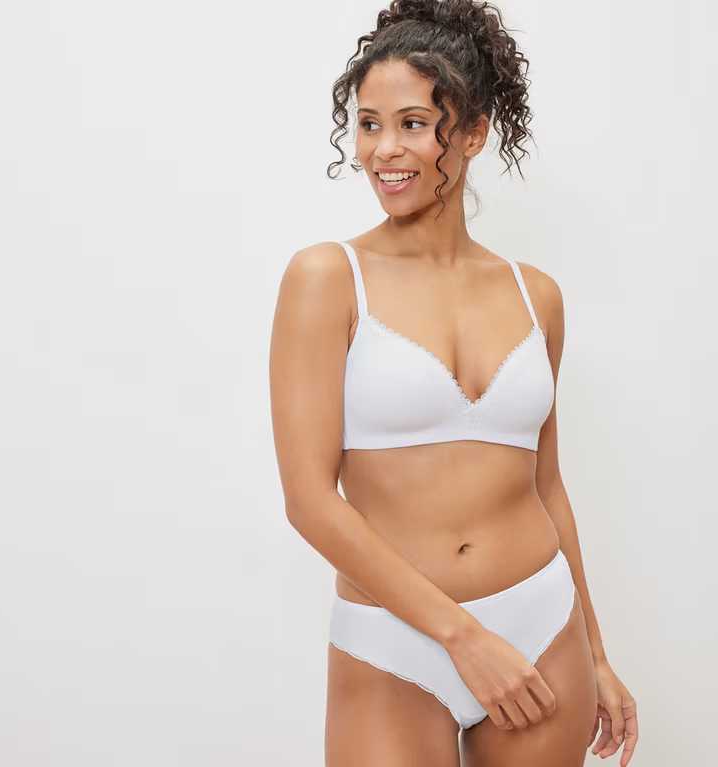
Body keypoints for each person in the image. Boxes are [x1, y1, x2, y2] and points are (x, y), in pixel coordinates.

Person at [269, 1, 638, 764]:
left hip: (542, 626)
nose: (383, 150)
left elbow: (547, 485)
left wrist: (596, 651)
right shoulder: (327, 278)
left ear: (471, 133)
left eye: (412, 123)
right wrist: (464, 636)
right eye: (368, 124)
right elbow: (309, 500)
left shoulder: (536, 296)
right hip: (394, 641)